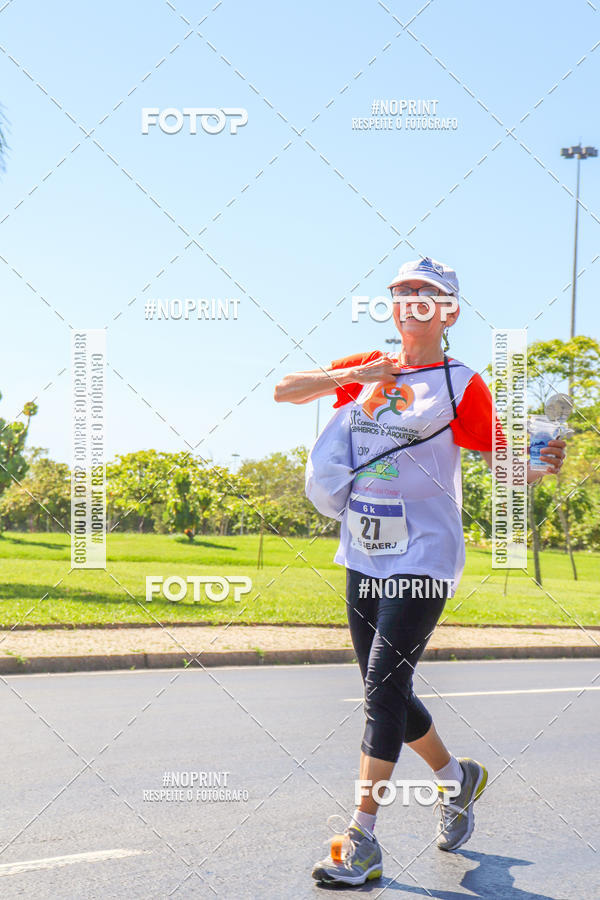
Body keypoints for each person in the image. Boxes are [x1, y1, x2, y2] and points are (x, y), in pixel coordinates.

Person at [274, 256, 566, 886]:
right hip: (363, 551)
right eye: (402, 291)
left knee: (381, 684)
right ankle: (456, 779)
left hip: (425, 553)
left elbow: (502, 459)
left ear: (449, 310)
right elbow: (284, 391)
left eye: (427, 293)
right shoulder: (365, 371)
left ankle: (362, 838)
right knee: (389, 693)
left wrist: (539, 464)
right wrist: (354, 375)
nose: (411, 300)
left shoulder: (462, 384)